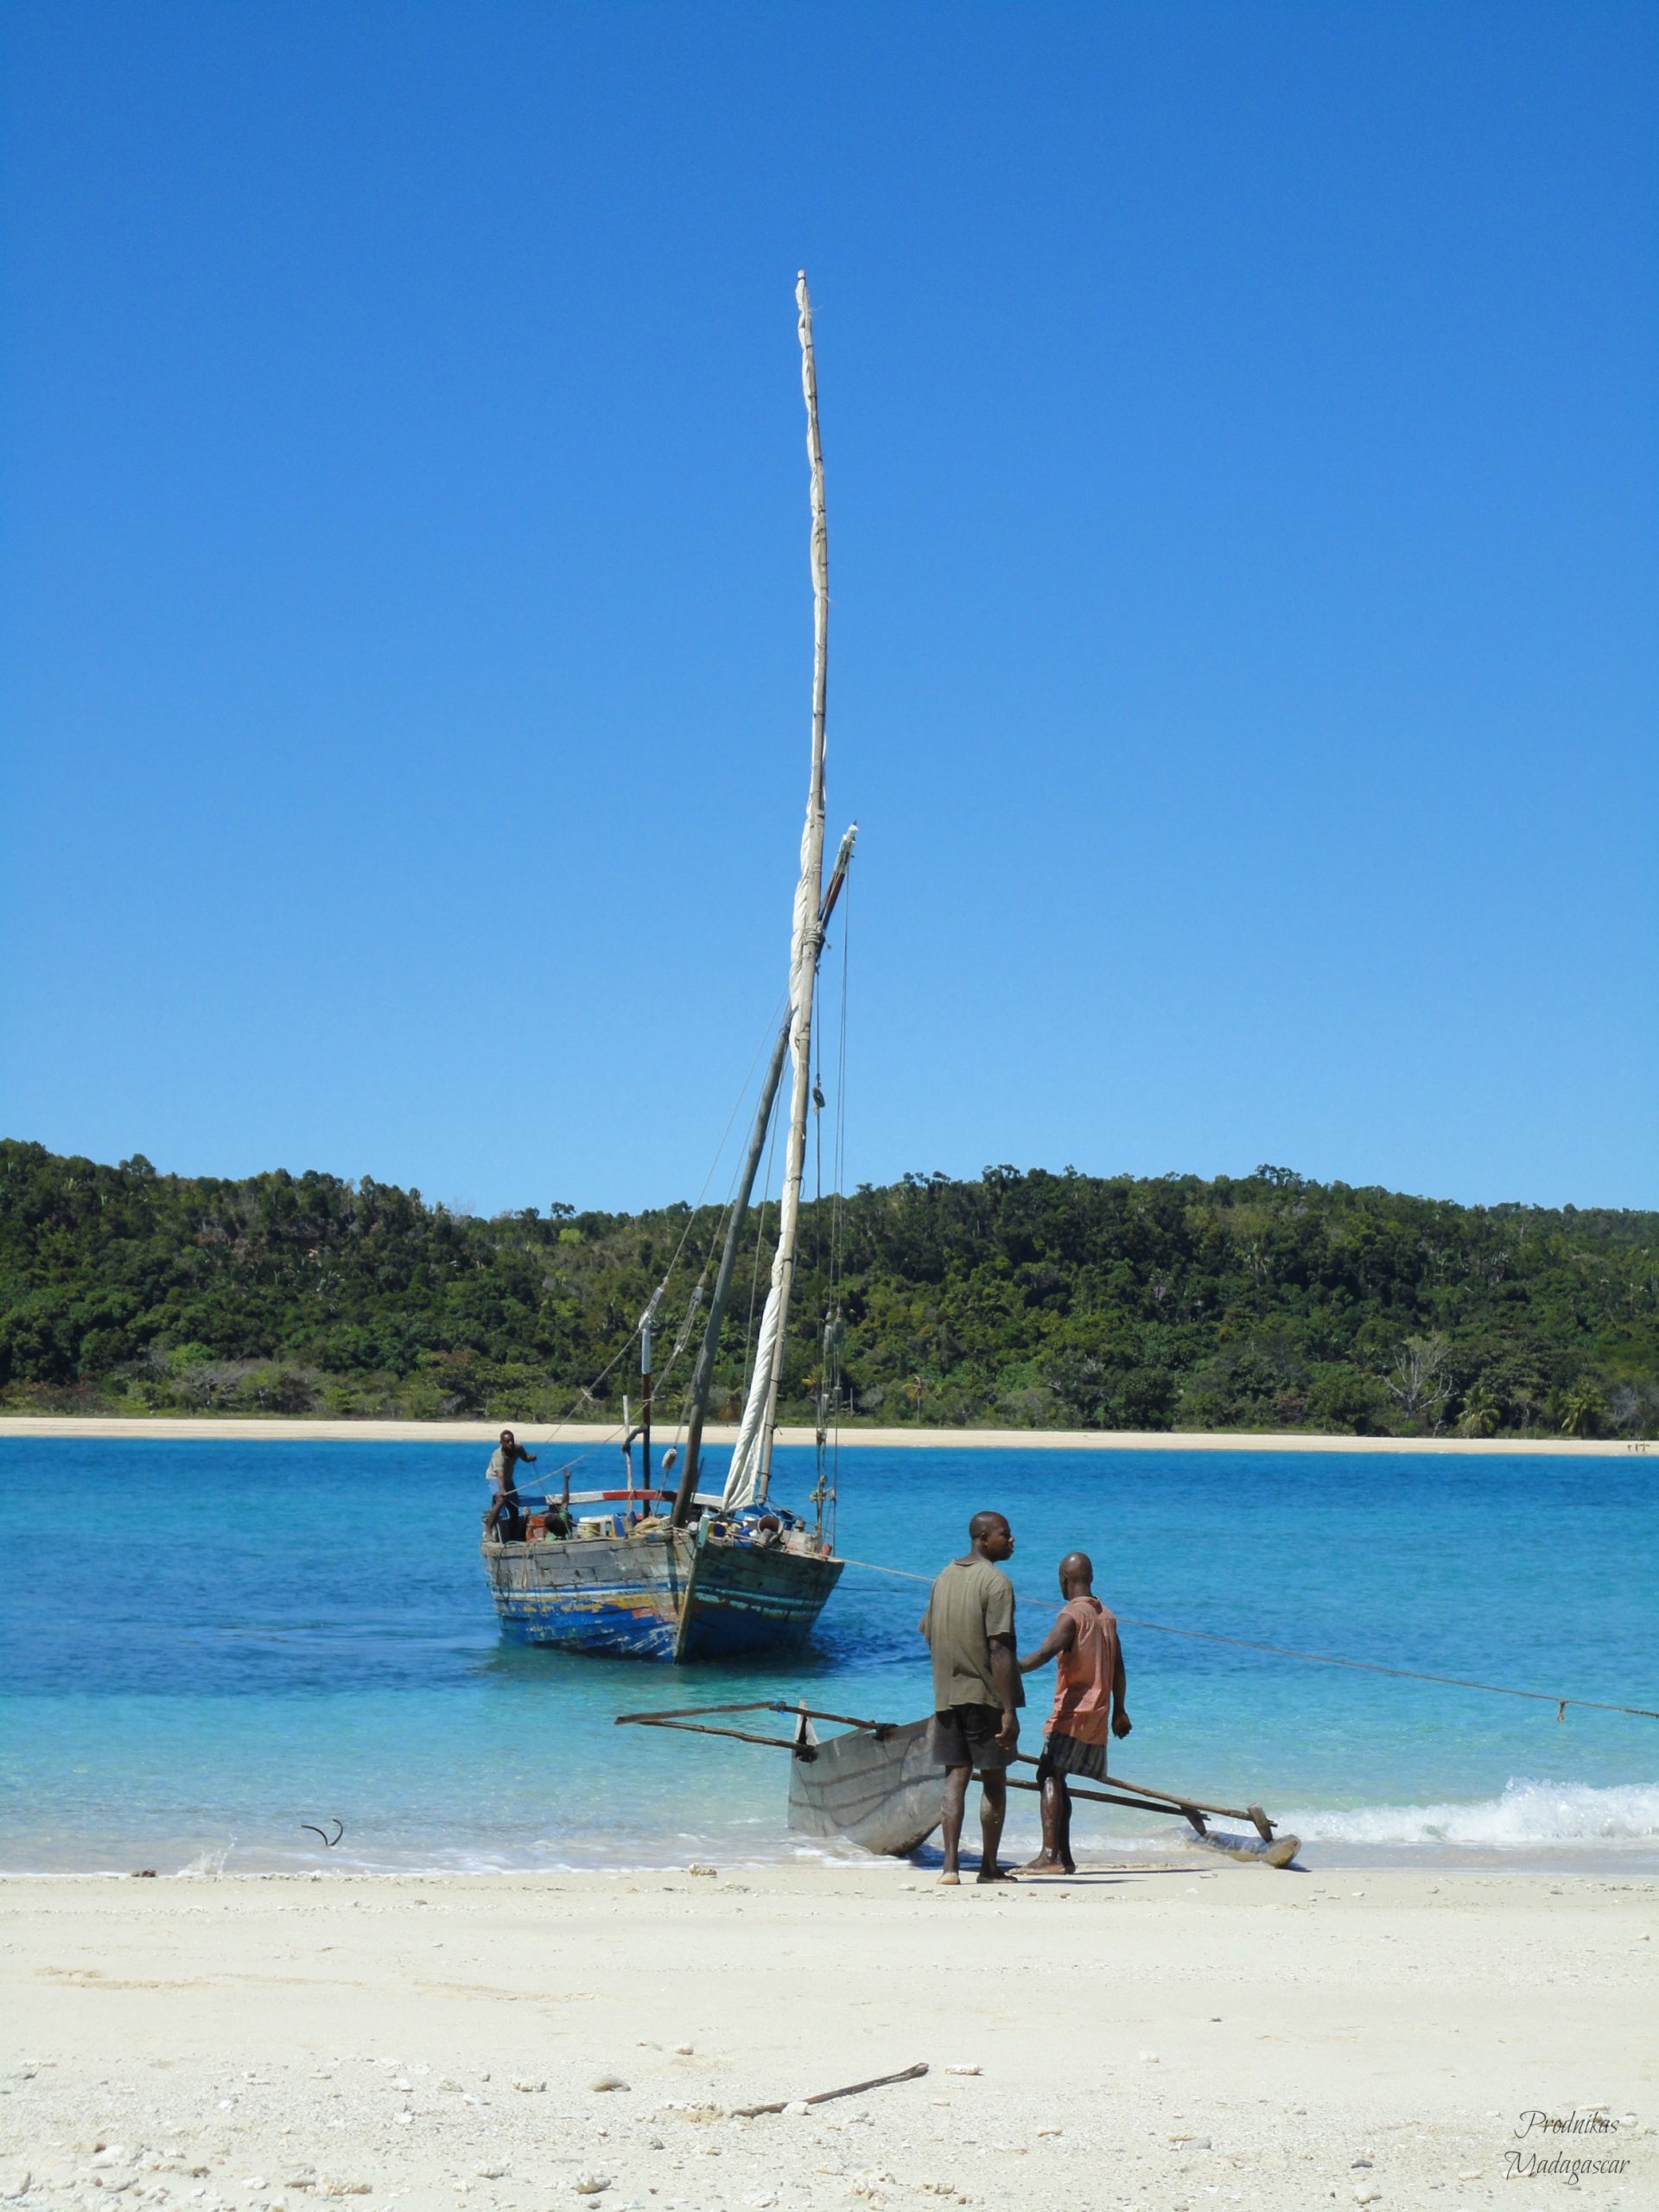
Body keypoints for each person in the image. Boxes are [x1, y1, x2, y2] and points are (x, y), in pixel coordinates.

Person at [918, 1510, 1023, 1885]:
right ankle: (989, 1868)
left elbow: (928, 1633)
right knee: (994, 1781)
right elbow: (999, 1648)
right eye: (1005, 1535)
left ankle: (949, 1868)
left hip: (946, 1697)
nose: (1012, 1540)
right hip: (985, 1697)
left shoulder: (943, 1578)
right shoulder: (996, 1582)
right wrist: (1009, 1708)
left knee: (955, 1778)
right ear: (983, 1538)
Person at [1017, 1550, 1130, 1874]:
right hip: (1098, 1712)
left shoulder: (1072, 1616)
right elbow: (1119, 1669)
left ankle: (1050, 1856)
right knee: (1059, 1776)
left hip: (1073, 1710)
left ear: (1063, 1580)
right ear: (1090, 1578)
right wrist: (1119, 1711)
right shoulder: (1106, 1615)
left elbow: (1043, 1652)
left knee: (1048, 1774)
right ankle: (1064, 1858)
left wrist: (1009, 1669)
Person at [484, 1428, 537, 1542]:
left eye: (512, 1440)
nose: (510, 1443)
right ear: (501, 1443)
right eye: (507, 1442)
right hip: (494, 1477)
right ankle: (489, 1529)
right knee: (500, 1500)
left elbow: (525, 1457)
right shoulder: (497, 1456)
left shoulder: (518, 1448)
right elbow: (500, 1475)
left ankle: (514, 1534)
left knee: (514, 1507)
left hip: (507, 1478)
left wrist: (530, 1458)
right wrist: (502, 1490)